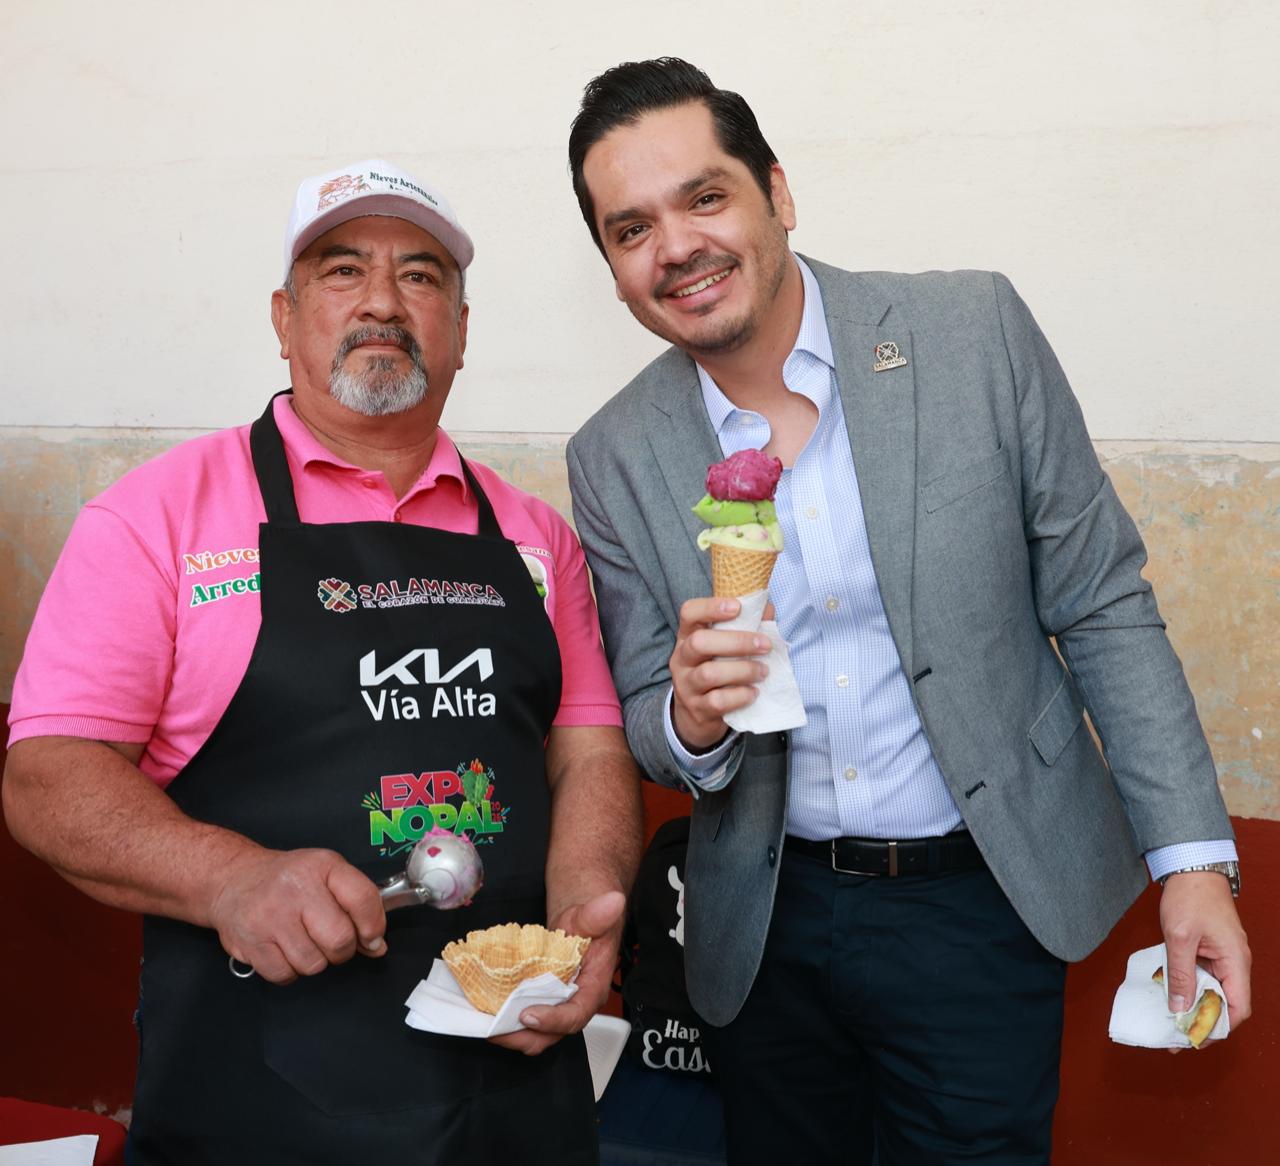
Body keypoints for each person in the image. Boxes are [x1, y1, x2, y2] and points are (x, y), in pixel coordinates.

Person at [563, 58, 1251, 1164]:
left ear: (776, 192)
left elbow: (1102, 603)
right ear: (613, 270)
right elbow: (644, 712)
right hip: (764, 924)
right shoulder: (611, 454)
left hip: (977, 901)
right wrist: (687, 716)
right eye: (631, 228)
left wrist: (1193, 865)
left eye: (705, 197)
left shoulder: (971, 332)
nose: (676, 247)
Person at [3, 158, 642, 1165]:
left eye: (420, 276)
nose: (383, 301)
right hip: (256, 1097)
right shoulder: (155, 517)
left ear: (461, 329)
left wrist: (580, 920)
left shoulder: (535, 536)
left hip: (514, 1086)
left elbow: (590, 751)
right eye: (343, 270)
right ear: (284, 316)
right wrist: (229, 878)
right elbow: (47, 777)